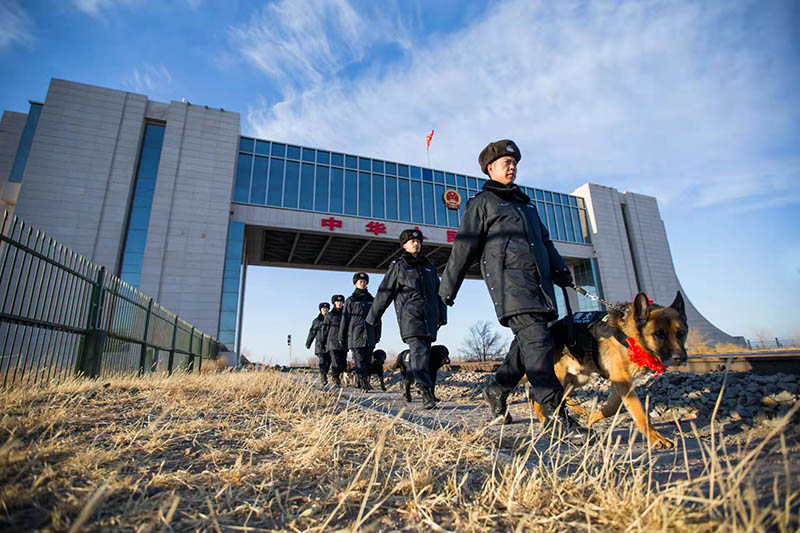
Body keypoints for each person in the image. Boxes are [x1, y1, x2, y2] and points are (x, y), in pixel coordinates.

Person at [439, 139, 587, 437]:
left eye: (514, 162)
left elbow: (544, 242)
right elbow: (464, 246)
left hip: (540, 286)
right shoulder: (481, 203)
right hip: (510, 286)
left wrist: (560, 271)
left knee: (528, 345)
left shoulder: (526, 204)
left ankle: (497, 388)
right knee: (539, 344)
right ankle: (555, 415)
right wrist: (447, 288)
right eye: (506, 162)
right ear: (490, 168)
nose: (512, 166)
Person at [368, 229, 446, 409]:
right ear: (403, 245)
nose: (416, 244)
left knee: (423, 356)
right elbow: (385, 292)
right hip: (411, 317)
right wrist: (372, 317)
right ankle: (427, 392)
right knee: (419, 352)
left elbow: (439, 293)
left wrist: (442, 315)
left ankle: (408, 382)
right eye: (411, 241)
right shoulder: (399, 266)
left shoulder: (429, 266)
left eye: (418, 241)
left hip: (430, 318)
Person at [340, 272, 380, 392]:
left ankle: (362, 381)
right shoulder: (350, 301)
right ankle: (364, 384)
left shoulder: (372, 300)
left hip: (370, 335)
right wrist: (342, 336)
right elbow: (344, 320)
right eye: (360, 282)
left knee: (367, 361)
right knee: (359, 361)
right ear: (355, 284)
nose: (362, 284)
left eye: (364, 282)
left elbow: (378, 318)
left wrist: (377, 334)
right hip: (355, 336)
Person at [323, 294, 347, 387]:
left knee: (342, 362)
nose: (339, 304)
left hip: (344, 342)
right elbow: (325, 330)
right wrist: (323, 342)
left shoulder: (346, 314)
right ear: (334, 303)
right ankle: (335, 378)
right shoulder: (330, 315)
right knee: (335, 361)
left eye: (341, 302)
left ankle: (340, 377)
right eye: (337, 302)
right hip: (332, 342)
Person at [305, 302, 331, 384]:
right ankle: (323, 377)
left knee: (328, 361)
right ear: (320, 310)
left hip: (329, 344)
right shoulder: (316, 321)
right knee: (322, 361)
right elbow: (312, 332)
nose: (325, 310)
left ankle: (325, 374)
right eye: (323, 309)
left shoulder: (331, 319)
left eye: (326, 309)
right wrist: (308, 343)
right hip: (320, 345)